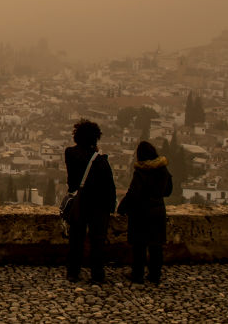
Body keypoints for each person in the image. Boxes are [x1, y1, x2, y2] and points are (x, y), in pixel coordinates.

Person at [64, 119, 116, 283]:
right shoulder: (100, 159)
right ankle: (97, 274)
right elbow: (109, 184)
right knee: (97, 240)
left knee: (76, 238)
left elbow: (72, 181)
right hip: (99, 204)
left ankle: (73, 272)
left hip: (80, 202)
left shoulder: (70, 153)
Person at [117, 140, 173, 284]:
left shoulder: (141, 172)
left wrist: (122, 208)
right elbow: (168, 191)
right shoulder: (163, 169)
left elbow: (133, 193)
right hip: (158, 211)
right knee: (156, 245)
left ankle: (138, 274)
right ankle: (155, 275)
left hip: (141, 213)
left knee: (139, 245)